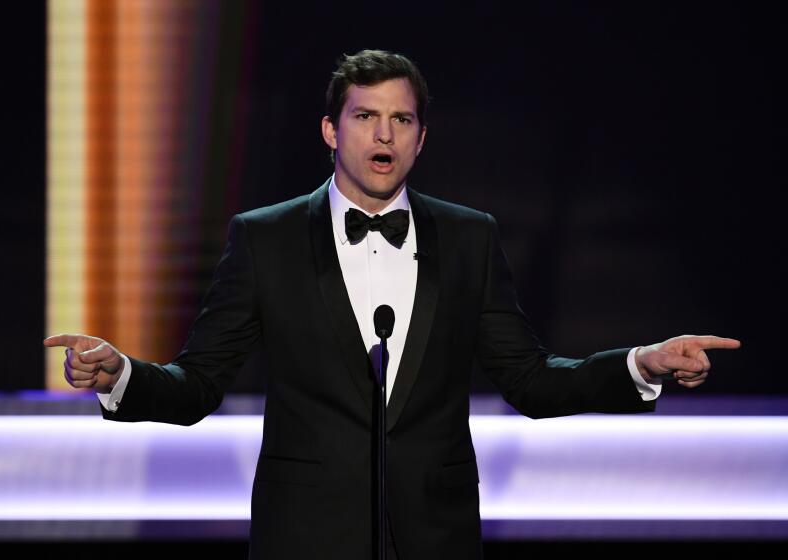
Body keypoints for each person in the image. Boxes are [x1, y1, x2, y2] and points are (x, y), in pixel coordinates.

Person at [44, 50, 740, 559]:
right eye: (366, 117)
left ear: (422, 136)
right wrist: (121, 376)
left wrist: (641, 364)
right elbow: (198, 384)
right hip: (305, 541)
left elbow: (530, 380)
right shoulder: (266, 239)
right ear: (330, 130)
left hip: (434, 539)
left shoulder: (470, 238)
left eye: (401, 119)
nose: (384, 135)